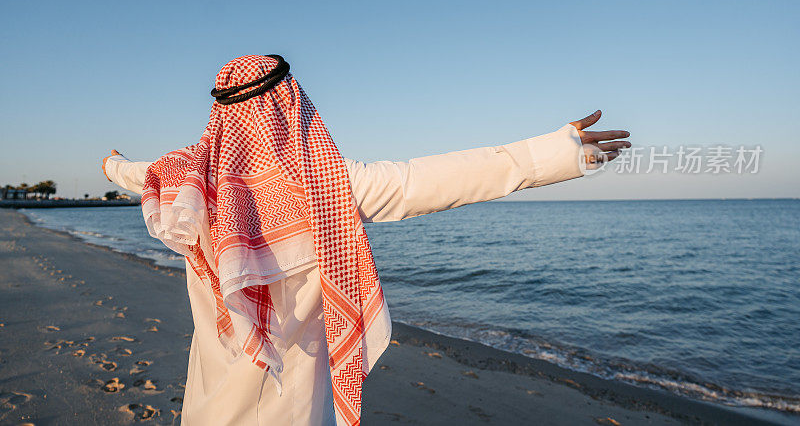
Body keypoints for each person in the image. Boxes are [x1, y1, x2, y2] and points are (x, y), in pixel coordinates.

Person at [102, 54, 630, 426]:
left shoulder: (184, 182)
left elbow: (133, 174)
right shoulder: (330, 188)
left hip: (209, 397)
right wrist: (556, 153)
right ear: (291, 104)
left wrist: (110, 162)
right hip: (291, 405)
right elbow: (430, 179)